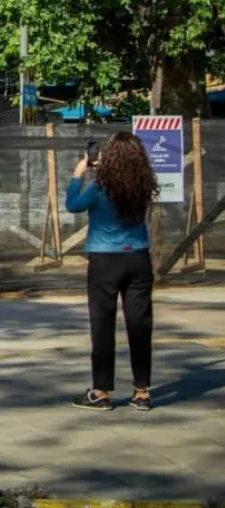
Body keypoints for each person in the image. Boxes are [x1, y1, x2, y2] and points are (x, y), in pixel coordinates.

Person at [65, 132, 159, 411]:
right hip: (138, 258)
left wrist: (78, 173)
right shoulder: (142, 186)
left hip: (105, 260)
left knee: (103, 325)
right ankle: (142, 392)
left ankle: (101, 391)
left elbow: (73, 205)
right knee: (140, 325)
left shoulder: (99, 187)